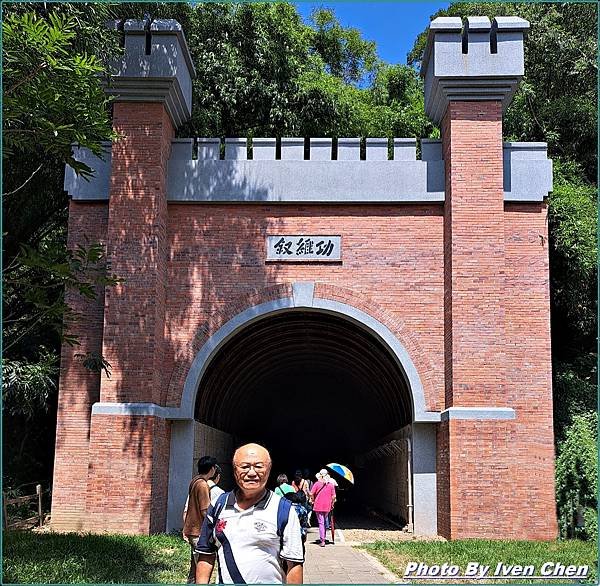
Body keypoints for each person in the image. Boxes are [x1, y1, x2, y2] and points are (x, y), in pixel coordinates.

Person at [195, 443, 304, 584]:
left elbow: (294, 564)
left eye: (259, 466)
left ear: (269, 470)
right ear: (234, 470)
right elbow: (206, 555)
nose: (252, 473)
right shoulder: (218, 505)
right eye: (245, 467)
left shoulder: (284, 509)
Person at [183, 456, 217, 583]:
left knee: (194, 567)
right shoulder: (203, 484)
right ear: (212, 469)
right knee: (202, 568)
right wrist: (213, 527)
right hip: (198, 531)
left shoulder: (194, 481)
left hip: (191, 529)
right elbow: (205, 510)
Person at [310, 469, 336, 547]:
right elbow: (334, 496)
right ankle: (323, 537)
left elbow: (311, 493)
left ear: (320, 475)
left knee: (321, 522)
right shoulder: (331, 485)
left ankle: (322, 540)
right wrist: (332, 503)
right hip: (327, 505)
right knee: (324, 521)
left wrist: (313, 499)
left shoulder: (317, 484)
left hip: (318, 505)